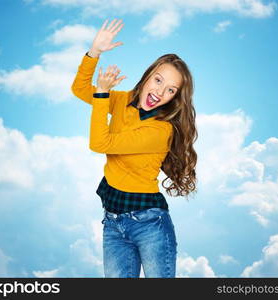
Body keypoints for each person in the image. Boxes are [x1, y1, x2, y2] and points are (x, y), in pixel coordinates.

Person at [71, 18, 198, 278]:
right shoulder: (122, 101)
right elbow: (79, 89)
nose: (161, 91)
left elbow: (99, 143)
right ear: (147, 76)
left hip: (149, 223)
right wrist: (93, 52)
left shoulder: (161, 130)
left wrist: (103, 95)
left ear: (175, 98)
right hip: (113, 221)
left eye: (171, 90)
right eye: (158, 80)